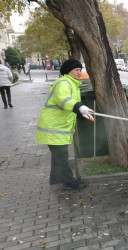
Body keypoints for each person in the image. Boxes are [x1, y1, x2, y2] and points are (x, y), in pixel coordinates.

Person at [35, 59, 94, 190]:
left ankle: (56, 179)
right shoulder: (63, 82)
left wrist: (80, 112)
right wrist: (79, 106)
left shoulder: (72, 84)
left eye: (80, 70)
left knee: (59, 155)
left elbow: (69, 105)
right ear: (68, 71)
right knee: (62, 156)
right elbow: (63, 99)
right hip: (54, 127)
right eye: (76, 70)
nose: (79, 73)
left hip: (58, 127)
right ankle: (68, 182)